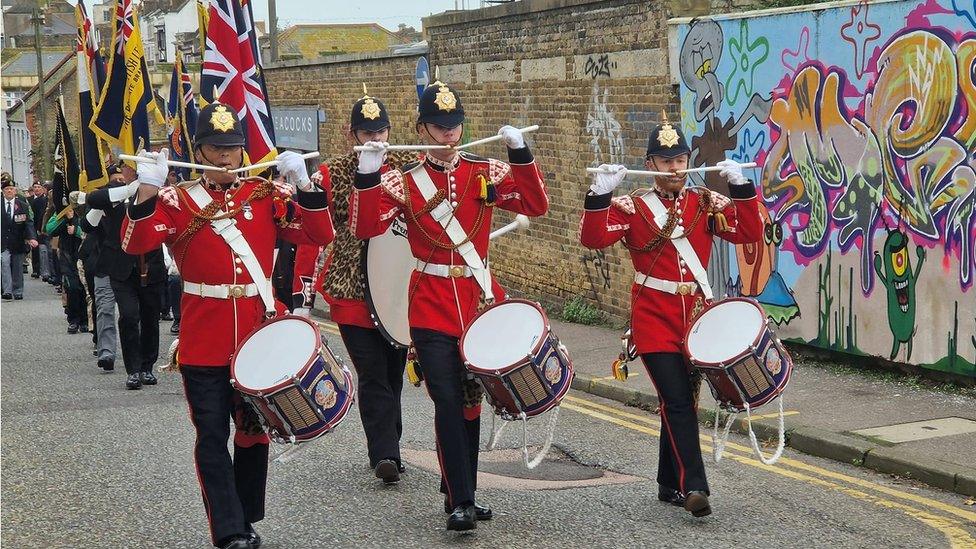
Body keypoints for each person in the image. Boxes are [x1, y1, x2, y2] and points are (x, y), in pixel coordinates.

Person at [121, 102, 335, 549]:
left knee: (254, 431)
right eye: (216, 149)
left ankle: (245, 512)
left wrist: (306, 185)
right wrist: (146, 190)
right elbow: (135, 242)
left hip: (257, 334)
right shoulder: (177, 201)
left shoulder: (264, 194)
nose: (225, 158)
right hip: (205, 338)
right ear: (198, 151)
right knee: (212, 434)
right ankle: (229, 529)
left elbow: (319, 235)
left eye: (233, 149)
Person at [350, 80, 548, 531]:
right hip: (430, 305)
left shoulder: (487, 171)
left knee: (471, 400)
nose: (449, 135)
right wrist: (367, 175)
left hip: (477, 301)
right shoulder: (401, 182)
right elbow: (365, 227)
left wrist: (521, 153)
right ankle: (459, 499)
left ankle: (465, 491)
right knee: (446, 399)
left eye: (454, 126)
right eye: (439, 127)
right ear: (421, 129)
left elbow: (536, 204)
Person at [578, 117, 763, 518]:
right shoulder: (632, 206)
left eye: (680, 159)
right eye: (665, 161)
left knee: (682, 400)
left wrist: (741, 188)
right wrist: (598, 197)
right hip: (653, 320)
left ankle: (668, 481)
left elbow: (748, 232)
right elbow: (592, 239)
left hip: (695, 319)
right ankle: (694, 485)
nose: (675, 168)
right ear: (651, 163)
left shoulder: (704, 202)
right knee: (677, 399)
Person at [294, 90, 417, 485]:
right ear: (352, 134)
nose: (375, 140)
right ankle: (385, 453)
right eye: (366, 133)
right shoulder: (332, 173)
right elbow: (311, 233)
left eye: (380, 131)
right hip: (350, 288)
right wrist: (302, 299)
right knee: (374, 373)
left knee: (394, 373)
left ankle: (389, 444)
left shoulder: (410, 169)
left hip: (399, 287)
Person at [86, 163, 166, 389]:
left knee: (150, 317)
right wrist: (129, 190)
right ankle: (133, 370)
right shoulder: (117, 195)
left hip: (151, 266)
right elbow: (93, 199)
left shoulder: (158, 197)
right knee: (129, 316)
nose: (129, 174)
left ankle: (147, 367)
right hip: (121, 269)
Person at [79, 163, 126, 372]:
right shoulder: (100, 203)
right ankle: (107, 352)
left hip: (129, 266)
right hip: (105, 265)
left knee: (131, 314)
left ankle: (137, 352)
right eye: (115, 178)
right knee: (105, 309)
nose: (120, 180)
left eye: (122, 178)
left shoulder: (133, 201)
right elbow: (88, 226)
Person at [46, 207, 89, 333]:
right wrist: (65, 217)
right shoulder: (62, 211)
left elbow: (91, 232)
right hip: (67, 255)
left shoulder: (86, 209)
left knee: (84, 288)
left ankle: (85, 320)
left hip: (84, 255)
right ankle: (73, 320)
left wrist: (76, 228)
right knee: (72, 287)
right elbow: (50, 229)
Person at [1, 174, 38, 301]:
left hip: (18, 241)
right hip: (3, 242)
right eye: (7, 189)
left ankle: (17, 290)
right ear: (3, 191)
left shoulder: (22, 205)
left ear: (15, 191)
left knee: (17, 267)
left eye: (11, 189)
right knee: (4, 263)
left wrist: (32, 237)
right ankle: (7, 290)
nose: (9, 191)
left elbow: (28, 223)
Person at [28, 182, 50, 281]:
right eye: (35, 187)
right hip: (35, 228)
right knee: (36, 250)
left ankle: (44, 271)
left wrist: (41, 228)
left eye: (38, 187)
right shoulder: (30, 200)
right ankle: (36, 269)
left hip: (42, 228)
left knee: (43, 250)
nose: (37, 189)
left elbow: (42, 215)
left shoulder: (45, 200)